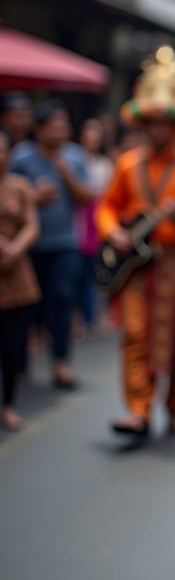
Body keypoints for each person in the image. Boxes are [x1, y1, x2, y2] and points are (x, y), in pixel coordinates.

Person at [96, 48, 175, 439]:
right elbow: (107, 206)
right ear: (143, 122)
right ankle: (138, 409)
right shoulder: (128, 163)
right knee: (134, 334)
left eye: (166, 122)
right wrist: (112, 231)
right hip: (137, 265)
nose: (159, 128)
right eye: (153, 122)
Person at [11, 101, 93, 389]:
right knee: (26, 307)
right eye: (55, 127)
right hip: (28, 246)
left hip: (65, 243)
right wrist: (34, 196)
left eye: (64, 127)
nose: (61, 133)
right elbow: (10, 196)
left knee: (61, 301)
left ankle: (60, 362)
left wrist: (68, 176)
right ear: (40, 129)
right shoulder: (20, 158)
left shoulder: (74, 156)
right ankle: (19, 366)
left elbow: (87, 197)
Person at [0, 132, 40, 431]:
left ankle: (9, 403)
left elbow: (31, 225)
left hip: (14, 274)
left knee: (13, 344)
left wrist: (14, 249)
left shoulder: (19, 186)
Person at [75, 117, 114, 334]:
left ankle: (94, 314)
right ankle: (81, 316)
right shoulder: (75, 160)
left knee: (97, 267)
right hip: (82, 217)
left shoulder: (105, 163)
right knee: (78, 269)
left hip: (98, 217)